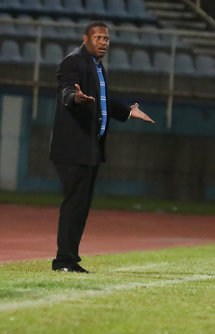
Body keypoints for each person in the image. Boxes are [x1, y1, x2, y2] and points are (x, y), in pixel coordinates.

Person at [49, 21, 155, 273]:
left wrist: (128, 112)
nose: (103, 42)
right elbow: (66, 91)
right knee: (75, 203)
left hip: (90, 147)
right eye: (98, 37)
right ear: (85, 38)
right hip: (73, 147)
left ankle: (69, 259)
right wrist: (76, 98)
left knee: (81, 204)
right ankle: (64, 261)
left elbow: (102, 102)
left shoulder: (96, 66)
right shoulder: (74, 61)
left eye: (106, 39)